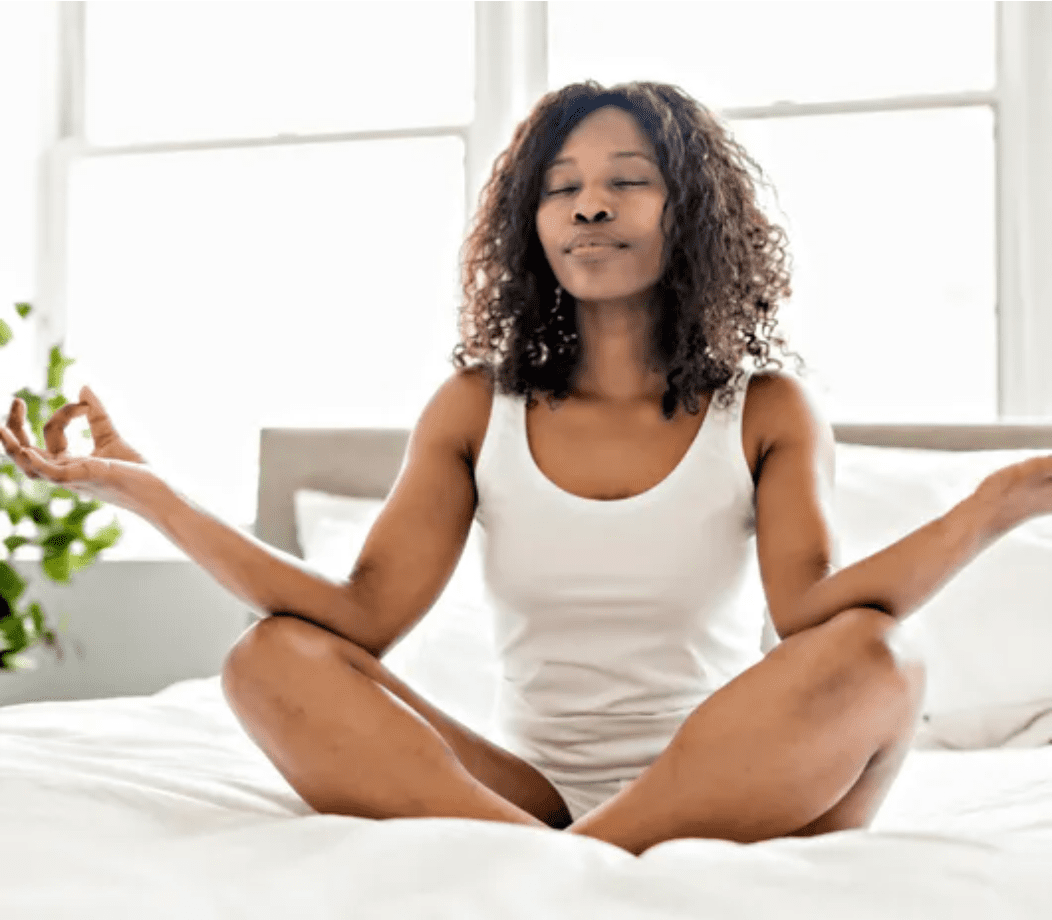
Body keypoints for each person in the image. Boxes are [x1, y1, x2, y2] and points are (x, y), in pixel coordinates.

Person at [2, 80, 1049, 859]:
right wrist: (139, 486)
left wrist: (999, 497)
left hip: (735, 771)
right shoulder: (474, 405)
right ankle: (565, 854)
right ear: (532, 225)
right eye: (562, 189)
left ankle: (558, 865)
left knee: (877, 659)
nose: (589, 206)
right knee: (266, 659)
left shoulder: (763, 409)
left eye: (626, 182)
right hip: (526, 787)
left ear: (690, 216)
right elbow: (357, 615)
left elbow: (813, 608)